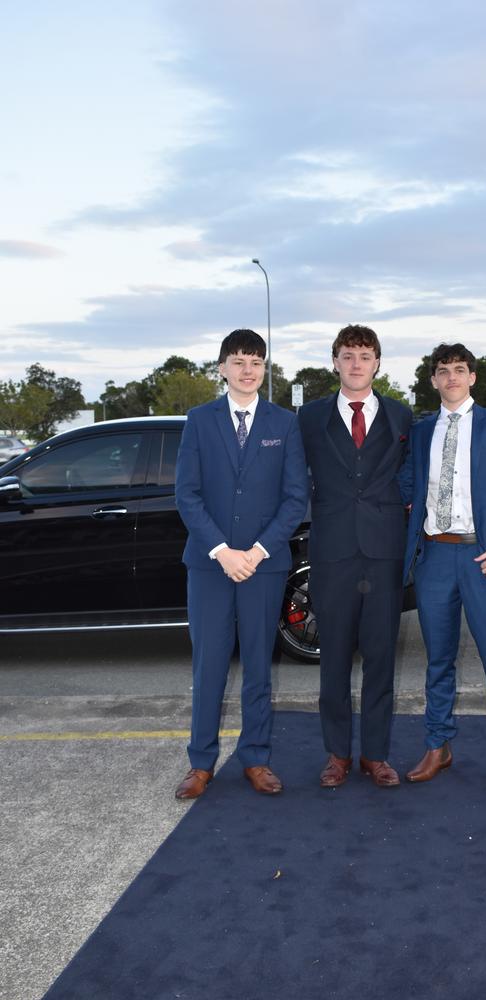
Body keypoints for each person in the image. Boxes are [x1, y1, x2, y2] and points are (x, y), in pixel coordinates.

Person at [174, 329, 309, 799]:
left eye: (255, 361)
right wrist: (222, 551)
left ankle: (256, 757)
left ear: (264, 368)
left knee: (257, 664)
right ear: (222, 368)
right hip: (210, 566)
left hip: (263, 566)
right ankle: (201, 763)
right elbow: (186, 495)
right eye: (238, 361)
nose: (247, 370)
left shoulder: (284, 424)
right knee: (208, 665)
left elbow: (295, 499)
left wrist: (255, 552)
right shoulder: (199, 420)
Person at [399, 343, 486, 794]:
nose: (452, 377)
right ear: (434, 380)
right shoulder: (421, 432)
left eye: (460, 370)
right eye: (443, 371)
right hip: (435, 557)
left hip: (483, 558)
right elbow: (404, 487)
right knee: (437, 659)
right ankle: (438, 746)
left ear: (473, 377)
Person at [299, 325, 412, 788]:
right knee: (334, 659)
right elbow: (291, 477)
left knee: (382, 657)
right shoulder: (307, 417)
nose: (356, 363)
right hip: (333, 552)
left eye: (365, 355)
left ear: (378, 362)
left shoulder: (402, 417)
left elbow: (412, 476)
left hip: (384, 553)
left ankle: (376, 754)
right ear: (335, 362)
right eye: (348, 355)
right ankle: (337, 755)